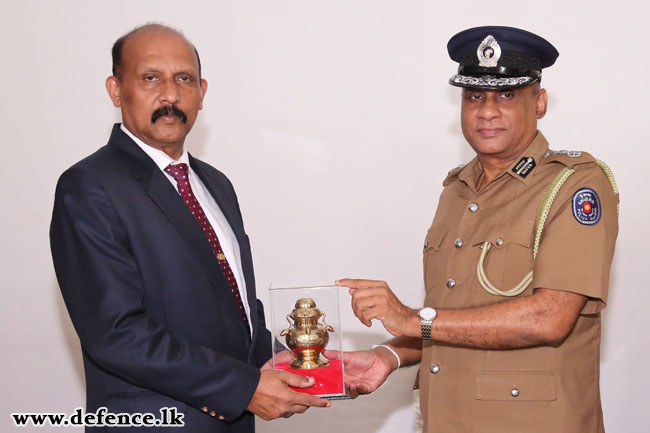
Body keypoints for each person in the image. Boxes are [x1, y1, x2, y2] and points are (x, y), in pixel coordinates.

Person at [336, 26, 619, 433]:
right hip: (445, 418)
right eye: (474, 97)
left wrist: (412, 320)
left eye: (506, 95)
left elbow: (550, 317)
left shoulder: (575, 185)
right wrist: (390, 356)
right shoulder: (456, 189)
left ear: (538, 102)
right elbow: (459, 316)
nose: (487, 111)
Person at [50, 23, 329, 433]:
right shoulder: (89, 186)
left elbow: (231, 313)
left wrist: (307, 362)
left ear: (202, 92)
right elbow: (116, 334)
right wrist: (244, 387)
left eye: (185, 79)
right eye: (150, 78)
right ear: (115, 89)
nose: (170, 94)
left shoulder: (215, 184)